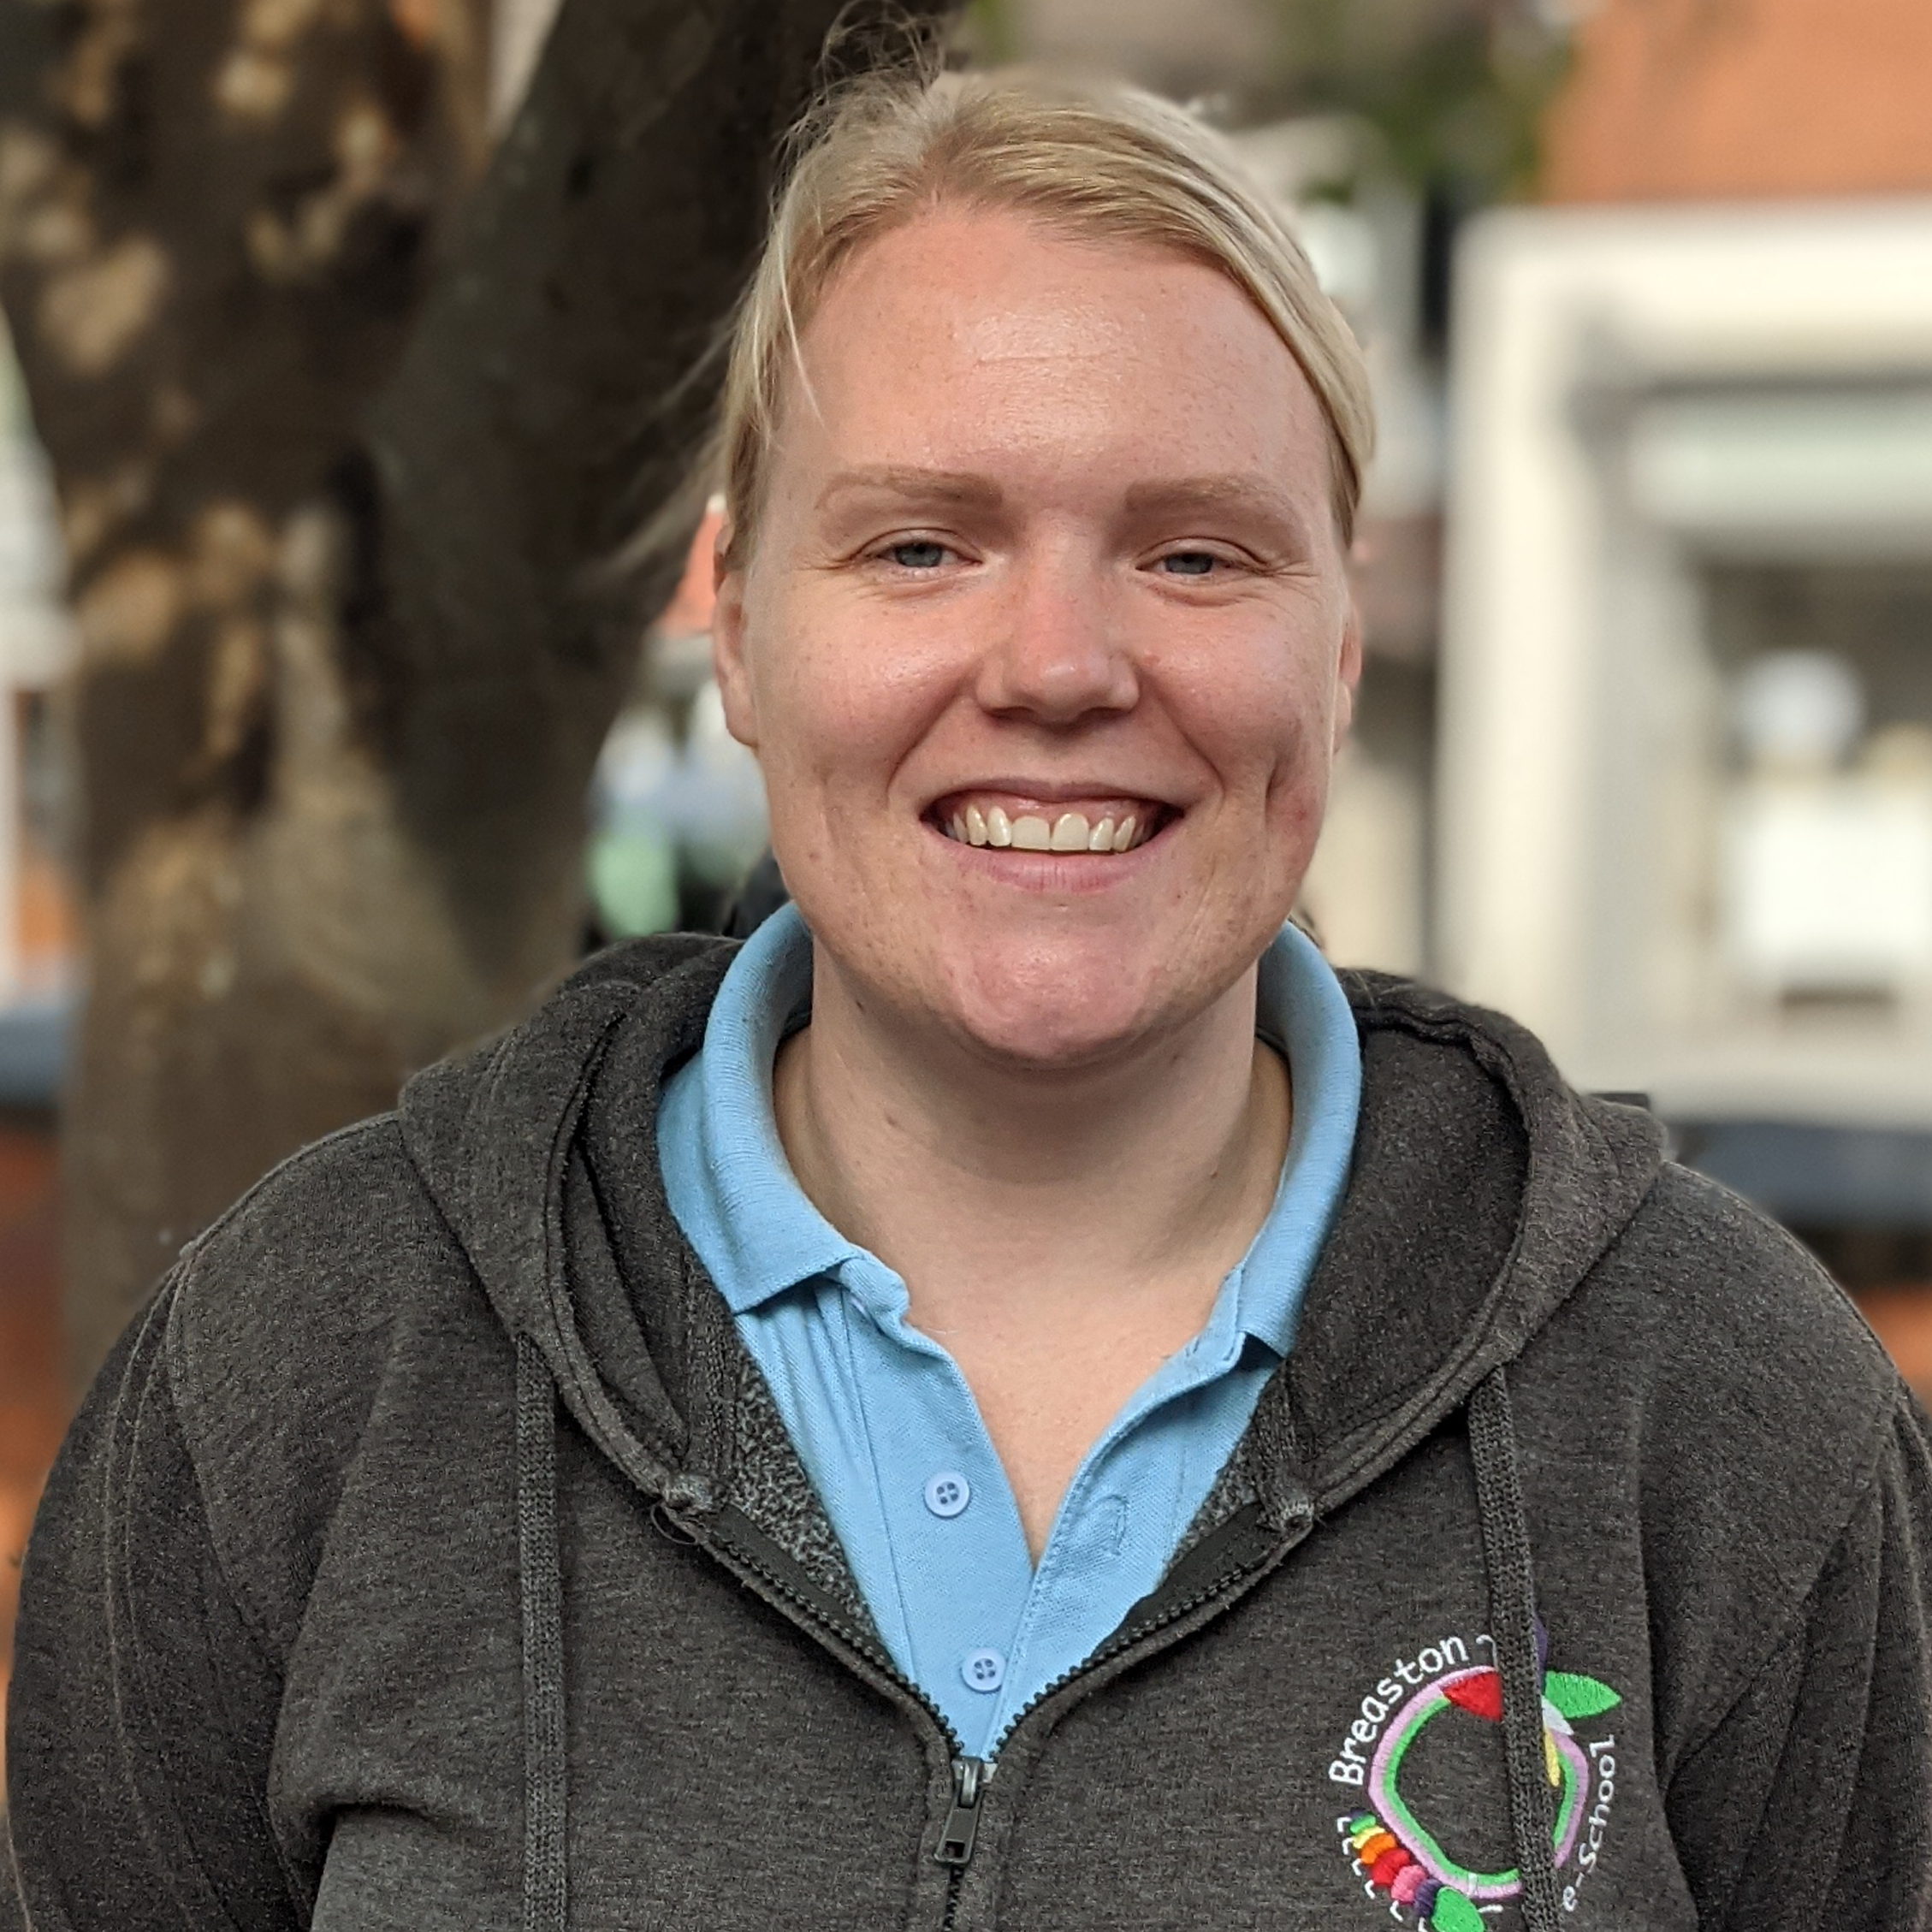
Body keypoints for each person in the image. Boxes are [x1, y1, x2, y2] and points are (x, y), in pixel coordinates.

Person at [7, 61, 1931, 1932]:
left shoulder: (1716, 1412)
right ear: (739, 620)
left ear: (1336, 648)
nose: (1061, 663)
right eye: (921, 543)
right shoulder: (307, 1369)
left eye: (1193, 551)